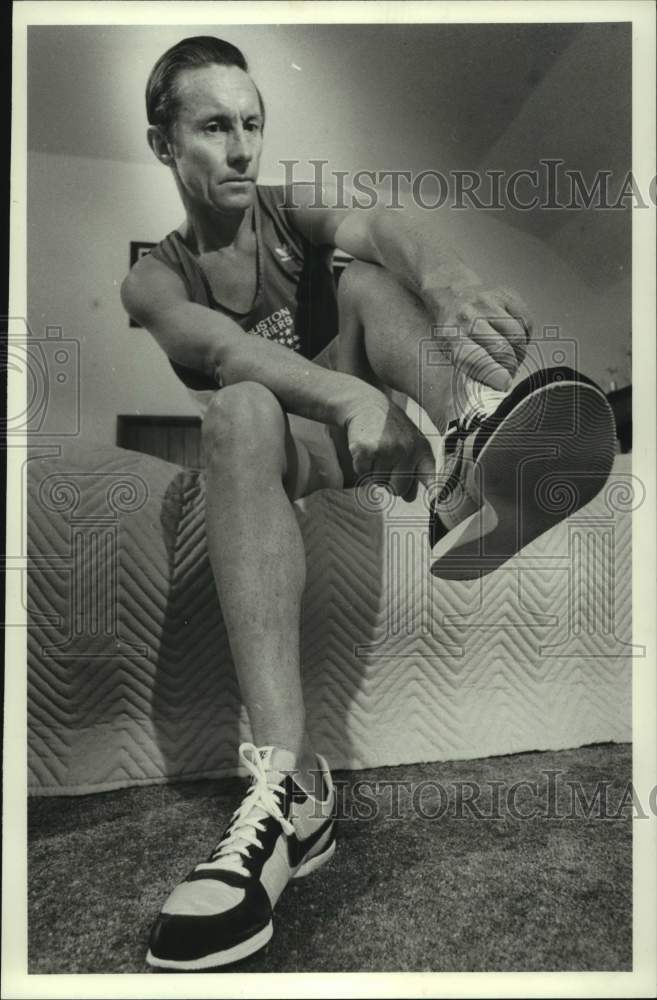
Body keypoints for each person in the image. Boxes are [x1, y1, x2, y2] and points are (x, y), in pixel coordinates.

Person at [120, 36, 616, 970]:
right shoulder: (154, 277)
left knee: (368, 274)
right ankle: (284, 797)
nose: (241, 147)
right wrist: (347, 401)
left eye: (252, 123)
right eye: (214, 126)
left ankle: (468, 433)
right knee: (237, 410)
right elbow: (224, 355)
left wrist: (457, 289)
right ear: (163, 144)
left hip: (380, 412)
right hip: (300, 441)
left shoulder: (288, 204)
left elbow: (380, 223)